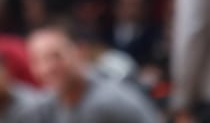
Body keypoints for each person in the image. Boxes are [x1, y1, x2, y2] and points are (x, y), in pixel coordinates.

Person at [24, 26, 159, 123]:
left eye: (56, 56)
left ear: (80, 52)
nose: (47, 68)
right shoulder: (46, 105)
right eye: (37, 60)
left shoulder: (110, 101)